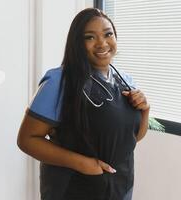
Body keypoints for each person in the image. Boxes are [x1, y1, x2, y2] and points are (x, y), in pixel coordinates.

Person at [17, 8, 150, 200]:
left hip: (120, 186)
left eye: (108, 34)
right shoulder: (59, 82)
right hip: (73, 188)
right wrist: (83, 163)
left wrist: (144, 111)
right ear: (77, 43)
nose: (102, 43)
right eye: (90, 37)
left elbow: (131, 138)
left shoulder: (125, 81)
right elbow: (27, 139)